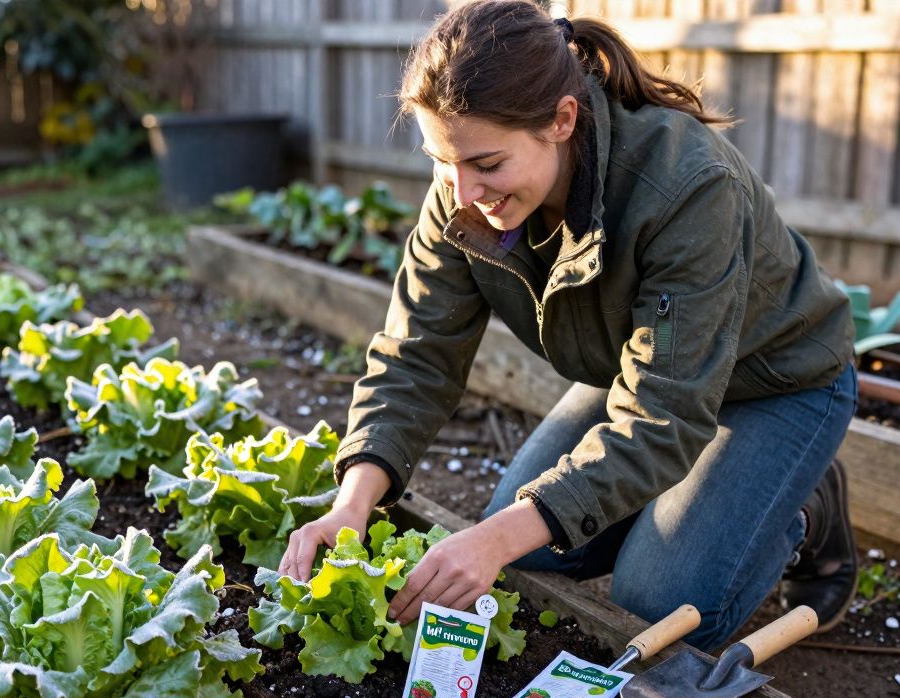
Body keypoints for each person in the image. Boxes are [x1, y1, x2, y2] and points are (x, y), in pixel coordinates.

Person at [277, 0, 859, 652]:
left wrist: (500, 535)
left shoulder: (686, 189)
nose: (462, 193)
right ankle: (704, 497)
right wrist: (353, 503)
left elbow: (663, 416)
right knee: (528, 547)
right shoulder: (463, 195)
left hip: (776, 381)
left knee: (657, 599)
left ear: (561, 120)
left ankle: (804, 510)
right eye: (443, 162)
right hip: (643, 377)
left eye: (488, 165)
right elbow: (418, 354)